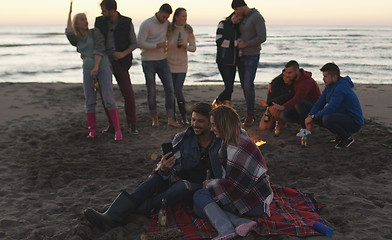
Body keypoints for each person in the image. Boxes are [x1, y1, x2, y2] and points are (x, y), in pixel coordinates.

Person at [83, 103, 223, 229]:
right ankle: (112, 216)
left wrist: (213, 182)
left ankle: (121, 210)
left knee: (183, 185)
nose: (195, 124)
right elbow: (171, 170)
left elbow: (226, 172)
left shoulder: (220, 141)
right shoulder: (183, 138)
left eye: (200, 121)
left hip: (201, 187)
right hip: (176, 179)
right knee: (157, 178)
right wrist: (164, 168)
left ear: (211, 124)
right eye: (193, 120)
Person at [193, 105, 273, 240]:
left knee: (200, 196)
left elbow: (236, 187)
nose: (212, 129)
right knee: (199, 208)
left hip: (255, 202)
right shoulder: (236, 137)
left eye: (214, 125)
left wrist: (211, 184)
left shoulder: (237, 145)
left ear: (223, 124)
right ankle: (240, 222)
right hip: (254, 196)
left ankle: (225, 228)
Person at [65, 1, 122, 141]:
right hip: (87, 69)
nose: (85, 22)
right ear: (77, 23)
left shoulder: (94, 32)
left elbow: (99, 49)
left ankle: (118, 131)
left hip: (102, 67)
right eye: (82, 20)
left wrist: (96, 67)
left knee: (109, 99)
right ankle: (92, 131)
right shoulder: (77, 38)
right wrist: (70, 12)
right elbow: (68, 31)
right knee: (90, 101)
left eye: (85, 19)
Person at [95, 0, 138, 135]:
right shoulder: (99, 22)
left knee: (128, 93)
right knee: (105, 95)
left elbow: (134, 43)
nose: (102, 13)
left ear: (112, 10)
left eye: (104, 10)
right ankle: (112, 125)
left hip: (121, 61)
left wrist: (122, 54)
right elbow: (95, 41)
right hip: (104, 62)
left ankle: (132, 125)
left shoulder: (126, 22)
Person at [137, 3, 180, 127]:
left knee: (170, 88)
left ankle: (170, 118)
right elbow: (139, 43)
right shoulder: (147, 24)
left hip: (162, 60)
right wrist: (156, 46)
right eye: (163, 17)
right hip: (148, 60)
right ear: (159, 12)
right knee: (151, 90)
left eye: (167, 17)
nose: (165, 19)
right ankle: (154, 119)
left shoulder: (166, 24)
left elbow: (176, 29)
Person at [305, 62, 364, 148]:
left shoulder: (341, 87)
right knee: (318, 117)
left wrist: (314, 116)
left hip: (354, 121)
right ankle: (340, 135)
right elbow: (319, 104)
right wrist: (310, 116)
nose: (323, 79)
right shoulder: (329, 87)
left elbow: (331, 108)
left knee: (326, 118)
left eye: (325, 76)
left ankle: (347, 138)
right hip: (342, 117)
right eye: (323, 76)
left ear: (335, 77)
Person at [231, 0, 266, 127]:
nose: (236, 12)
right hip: (241, 55)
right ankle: (249, 113)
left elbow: (262, 37)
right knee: (244, 85)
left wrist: (246, 44)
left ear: (241, 6)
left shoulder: (257, 17)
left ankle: (250, 114)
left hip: (252, 55)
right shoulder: (243, 18)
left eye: (236, 10)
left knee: (247, 85)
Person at [271, 60, 321, 137]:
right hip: (301, 106)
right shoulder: (294, 78)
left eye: (290, 73)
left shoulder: (306, 81)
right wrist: (271, 84)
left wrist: (283, 106)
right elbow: (282, 77)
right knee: (283, 115)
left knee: (298, 102)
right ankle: (308, 122)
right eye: (286, 72)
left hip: (314, 107)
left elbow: (298, 98)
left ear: (297, 71)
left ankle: (305, 128)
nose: (287, 75)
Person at [167, 7, 197, 125]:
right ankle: (172, 117)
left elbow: (193, 48)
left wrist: (185, 46)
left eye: (186, 16)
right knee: (170, 91)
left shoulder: (188, 30)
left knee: (178, 90)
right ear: (176, 17)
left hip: (182, 65)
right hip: (168, 64)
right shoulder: (169, 29)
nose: (185, 18)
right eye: (183, 16)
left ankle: (184, 117)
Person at [212, 12, 243, 107]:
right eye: (236, 16)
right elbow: (219, 41)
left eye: (239, 19)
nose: (236, 19)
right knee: (229, 88)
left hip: (233, 62)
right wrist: (234, 43)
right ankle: (216, 103)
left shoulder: (238, 28)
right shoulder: (223, 24)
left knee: (229, 87)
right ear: (233, 14)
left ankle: (226, 106)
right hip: (223, 60)